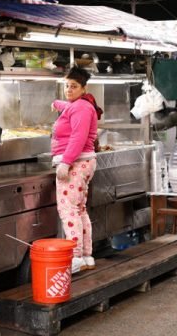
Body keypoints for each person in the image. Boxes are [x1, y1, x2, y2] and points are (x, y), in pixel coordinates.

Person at [51, 66, 102, 273]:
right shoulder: (81, 104)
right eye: (66, 86)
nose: (69, 90)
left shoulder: (80, 107)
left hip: (75, 163)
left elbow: (78, 137)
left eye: (74, 86)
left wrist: (65, 162)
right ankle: (86, 256)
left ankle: (75, 257)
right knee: (79, 210)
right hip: (82, 162)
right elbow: (70, 107)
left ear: (83, 88)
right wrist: (57, 104)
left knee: (68, 210)